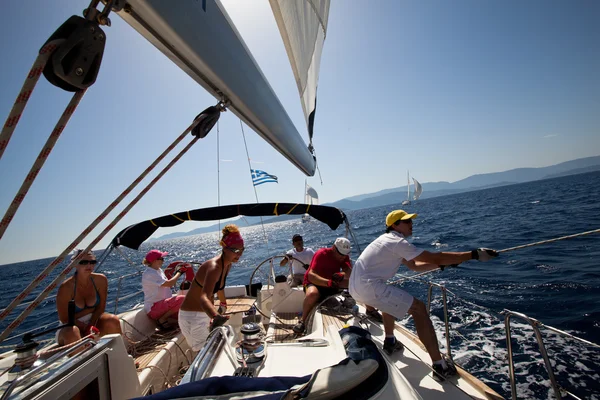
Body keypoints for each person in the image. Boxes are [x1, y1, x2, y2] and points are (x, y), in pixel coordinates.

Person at [349, 209, 498, 381]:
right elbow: (434, 256)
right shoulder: (396, 241)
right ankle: (440, 366)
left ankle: (390, 341)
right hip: (368, 286)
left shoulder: (388, 241)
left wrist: (441, 265)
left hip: (356, 288)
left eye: (411, 221)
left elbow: (415, 266)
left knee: (388, 300)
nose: (411, 224)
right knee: (418, 308)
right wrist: (473, 255)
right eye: (406, 221)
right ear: (394, 225)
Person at [178, 224, 244, 351]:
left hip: (205, 314)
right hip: (192, 317)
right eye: (235, 250)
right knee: (210, 353)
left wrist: (223, 304)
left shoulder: (227, 264)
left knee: (216, 350)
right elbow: (204, 297)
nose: (239, 254)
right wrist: (215, 316)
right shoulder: (214, 267)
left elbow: (219, 287)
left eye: (242, 249)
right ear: (224, 247)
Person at [56, 250, 122, 346]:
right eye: (83, 262)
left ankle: (123, 355)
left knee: (112, 320)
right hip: (71, 326)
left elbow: (100, 308)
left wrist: (90, 325)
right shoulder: (66, 287)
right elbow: (64, 319)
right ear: (75, 264)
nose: (89, 265)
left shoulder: (101, 280)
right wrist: (85, 323)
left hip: (93, 320)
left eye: (92, 262)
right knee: (72, 333)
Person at [292, 238, 353, 334]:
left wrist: (342, 274)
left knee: (353, 283)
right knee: (312, 294)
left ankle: (369, 310)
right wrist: (327, 283)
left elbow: (349, 271)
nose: (342, 257)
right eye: (340, 254)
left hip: (331, 282)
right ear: (333, 248)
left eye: (345, 254)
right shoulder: (321, 254)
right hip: (315, 283)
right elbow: (311, 276)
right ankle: (302, 321)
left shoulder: (344, 256)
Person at [142, 249, 187, 329]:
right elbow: (169, 284)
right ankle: (162, 319)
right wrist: (179, 272)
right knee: (182, 299)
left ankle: (169, 321)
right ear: (155, 260)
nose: (163, 261)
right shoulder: (150, 274)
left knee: (187, 315)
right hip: (154, 308)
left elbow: (167, 285)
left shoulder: (158, 271)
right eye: (162, 259)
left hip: (163, 305)